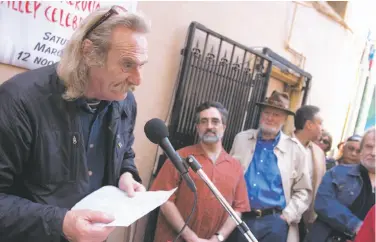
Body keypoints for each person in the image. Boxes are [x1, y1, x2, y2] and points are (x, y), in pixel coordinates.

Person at [0, 6, 150, 242]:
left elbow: (125, 152)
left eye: (141, 65)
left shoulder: (124, 101)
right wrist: (61, 223)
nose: (138, 79)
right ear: (89, 53)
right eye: (127, 64)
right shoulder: (19, 101)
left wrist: (126, 174)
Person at [150, 101, 250, 242]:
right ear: (198, 127)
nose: (209, 126)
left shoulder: (235, 166)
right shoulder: (179, 158)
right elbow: (164, 201)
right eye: (204, 121)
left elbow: (238, 208)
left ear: (224, 127)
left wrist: (218, 238)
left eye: (215, 121)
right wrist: (190, 237)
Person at [228, 91, 312, 242]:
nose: (270, 118)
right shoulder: (242, 139)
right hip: (238, 217)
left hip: (273, 223)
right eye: (267, 112)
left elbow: (304, 191)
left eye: (276, 114)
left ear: (285, 119)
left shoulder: (296, 150)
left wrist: (286, 216)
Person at [305, 127, 375, 242]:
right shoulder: (337, 173)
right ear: (361, 150)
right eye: (369, 147)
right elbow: (323, 203)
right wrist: (357, 226)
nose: (373, 152)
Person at [293, 105, 326, 238]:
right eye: (320, 123)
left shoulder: (318, 153)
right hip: (278, 215)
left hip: (305, 219)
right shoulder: (281, 145)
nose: (322, 128)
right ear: (309, 125)